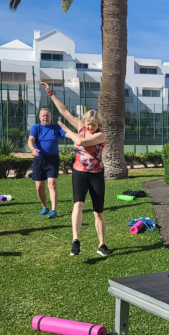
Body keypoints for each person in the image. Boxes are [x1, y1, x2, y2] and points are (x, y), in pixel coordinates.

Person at [40, 82, 109, 257]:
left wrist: (66, 131)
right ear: (84, 122)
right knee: (78, 204)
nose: (90, 127)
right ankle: (75, 241)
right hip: (79, 173)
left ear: (98, 124)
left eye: (93, 124)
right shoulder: (80, 127)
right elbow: (64, 111)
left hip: (96, 175)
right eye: (88, 124)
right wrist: (51, 94)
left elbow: (81, 142)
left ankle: (102, 245)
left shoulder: (101, 135)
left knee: (98, 212)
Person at [27, 107, 66, 219]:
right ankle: (45, 207)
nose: (45, 117)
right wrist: (33, 149)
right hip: (39, 160)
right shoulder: (36, 127)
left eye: (47, 115)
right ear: (40, 117)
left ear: (50, 117)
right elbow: (30, 140)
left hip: (52, 160)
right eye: (43, 115)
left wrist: (76, 136)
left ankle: (53, 210)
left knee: (52, 184)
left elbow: (67, 134)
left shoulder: (56, 128)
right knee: (39, 187)